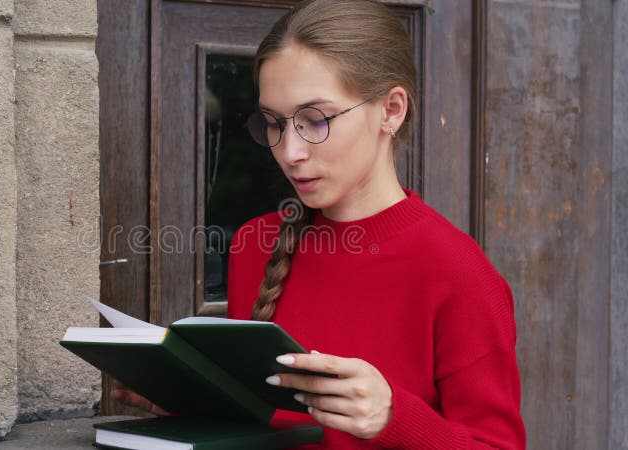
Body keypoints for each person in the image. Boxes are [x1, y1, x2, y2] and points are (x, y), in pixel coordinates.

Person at [112, 0, 526, 448]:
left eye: (315, 120)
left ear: (391, 110)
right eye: (273, 123)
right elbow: (271, 422)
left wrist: (394, 416)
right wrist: (194, 407)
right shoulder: (255, 244)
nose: (289, 152)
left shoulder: (458, 271)